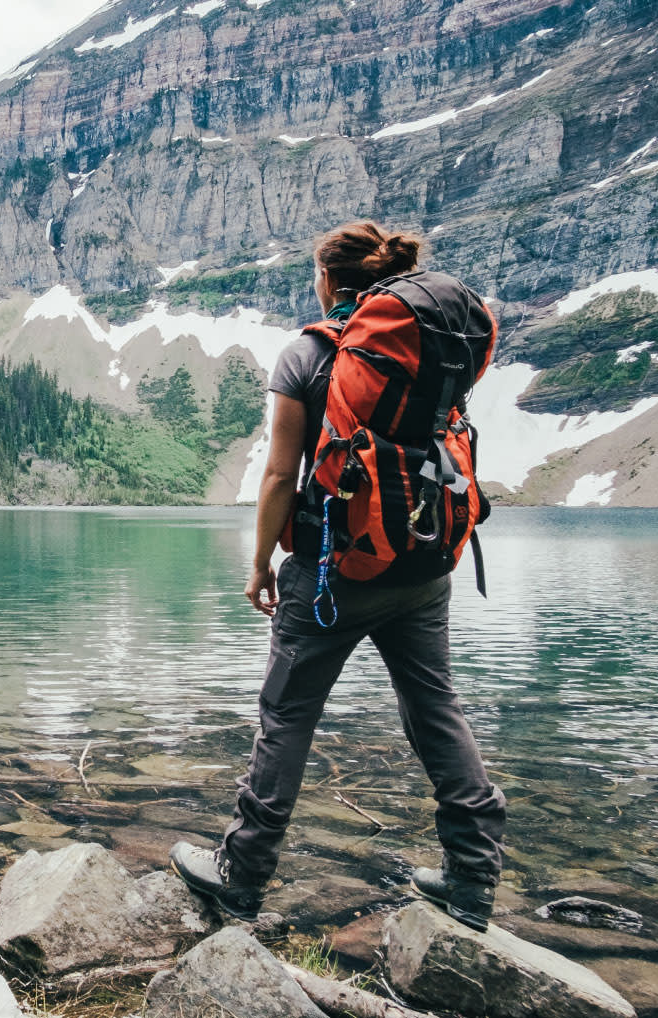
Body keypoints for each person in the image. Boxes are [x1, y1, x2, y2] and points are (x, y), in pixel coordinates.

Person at [169, 221, 508, 932]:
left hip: (333, 572)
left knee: (287, 717)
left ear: (327, 279)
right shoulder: (426, 348)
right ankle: (473, 879)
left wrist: (260, 563)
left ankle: (242, 875)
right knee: (435, 707)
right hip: (422, 563)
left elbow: (278, 476)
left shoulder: (309, 354)